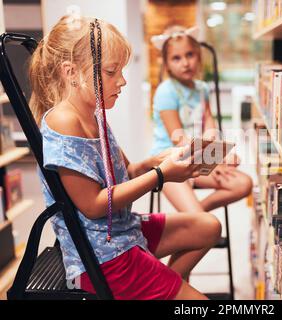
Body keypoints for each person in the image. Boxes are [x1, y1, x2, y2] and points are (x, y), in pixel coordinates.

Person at [29, 15, 221, 300]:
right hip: (104, 258)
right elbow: (94, 206)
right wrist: (161, 176)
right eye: (111, 71)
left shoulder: (94, 115)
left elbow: (128, 171)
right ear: (71, 72)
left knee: (209, 227)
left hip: (124, 231)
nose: (123, 80)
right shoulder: (64, 122)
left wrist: (159, 160)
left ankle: (163, 286)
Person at [150, 25, 253, 216]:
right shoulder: (166, 91)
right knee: (203, 225)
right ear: (166, 63)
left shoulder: (202, 89)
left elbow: (210, 128)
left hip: (196, 158)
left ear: (198, 55)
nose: (185, 63)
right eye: (176, 58)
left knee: (243, 183)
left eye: (190, 55)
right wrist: (214, 160)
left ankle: (193, 219)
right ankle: (196, 220)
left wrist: (216, 158)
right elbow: (177, 139)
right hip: (170, 162)